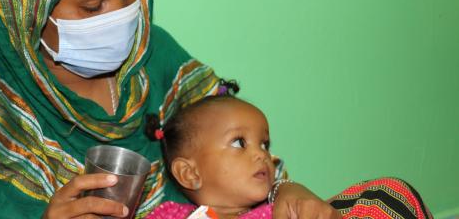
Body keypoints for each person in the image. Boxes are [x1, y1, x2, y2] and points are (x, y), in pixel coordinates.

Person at [0, 0, 432, 218]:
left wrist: (284, 191)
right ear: (19, 11)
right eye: (93, 5)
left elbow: (232, 143)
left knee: (389, 198)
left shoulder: (152, 54)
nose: (121, 17)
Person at [144, 86, 433, 219]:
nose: (263, 156)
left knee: (385, 193)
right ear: (189, 173)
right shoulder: (168, 215)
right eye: (239, 143)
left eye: (265, 144)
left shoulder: (279, 212)